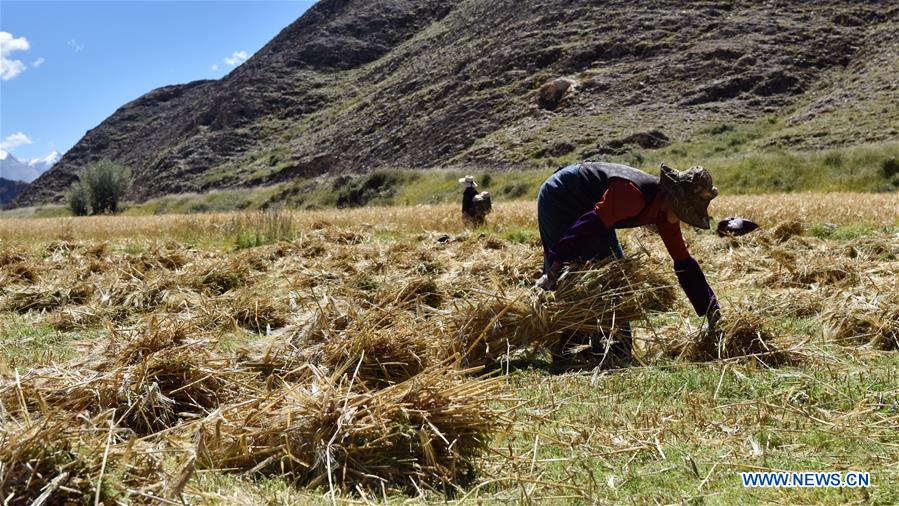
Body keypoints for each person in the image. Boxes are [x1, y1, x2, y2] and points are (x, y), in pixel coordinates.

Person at [536, 161, 721, 362]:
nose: (683, 219)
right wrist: (554, 269)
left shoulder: (665, 213)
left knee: (616, 275)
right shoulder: (633, 195)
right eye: (685, 212)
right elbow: (587, 227)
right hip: (562, 194)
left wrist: (712, 310)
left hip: (593, 209)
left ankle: (617, 347)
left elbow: (684, 263)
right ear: (674, 200)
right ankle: (569, 349)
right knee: (580, 273)